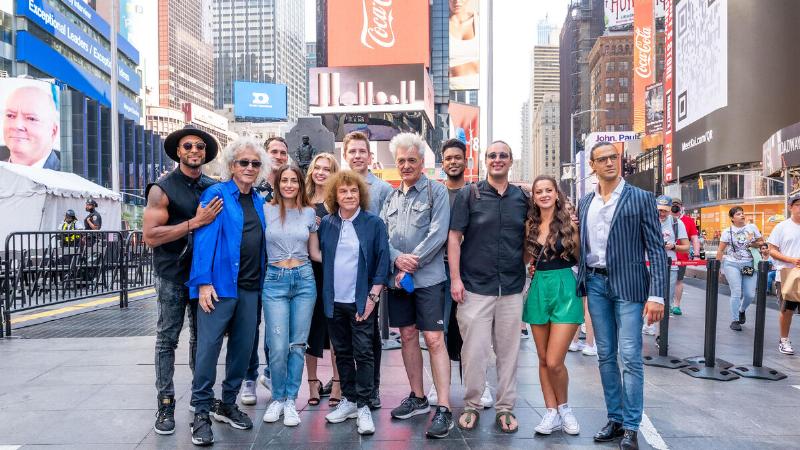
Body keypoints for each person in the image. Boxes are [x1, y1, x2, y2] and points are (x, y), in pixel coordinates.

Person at [576, 141, 667, 450]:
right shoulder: (585, 202)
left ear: (620, 160)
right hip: (596, 284)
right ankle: (615, 419)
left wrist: (658, 295)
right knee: (605, 355)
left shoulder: (641, 198)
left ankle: (631, 426)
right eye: (602, 159)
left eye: (613, 157)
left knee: (629, 356)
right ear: (593, 166)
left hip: (629, 286)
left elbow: (655, 249)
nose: (609, 163)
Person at [186, 137, 269, 446]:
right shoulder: (216, 194)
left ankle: (228, 403)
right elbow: (204, 241)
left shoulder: (259, 200)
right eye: (243, 162)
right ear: (232, 165)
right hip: (219, 287)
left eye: (255, 163)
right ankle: (201, 412)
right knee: (208, 350)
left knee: (243, 349)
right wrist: (203, 282)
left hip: (250, 289)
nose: (249, 168)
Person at [143, 125, 221, 436]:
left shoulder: (212, 186)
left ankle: (200, 398)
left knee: (202, 340)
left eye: (199, 147)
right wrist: (194, 223)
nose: (194, 151)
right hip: (172, 274)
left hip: (203, 276)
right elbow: (150, 236)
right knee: (167, 339)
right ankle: (166, 402)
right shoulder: (161, 188)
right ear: (178, 151)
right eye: (188, 146)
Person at [449, 140, 529, 434]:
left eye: (503, 156)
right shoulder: (470, 194)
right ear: (485, 161)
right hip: (474, 288)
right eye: (492, 155)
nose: (498, 160)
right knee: (474, 352)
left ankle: (505, 408)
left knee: (509, 352)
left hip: (510, 288)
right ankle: (472, 403)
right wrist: (455, 279)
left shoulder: (523, 198)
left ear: (510, 161)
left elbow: (528, 240)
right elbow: (454, 238)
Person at [381, 132, 453, 438]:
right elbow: (381, 237)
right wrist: (398, 260)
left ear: (422, 162)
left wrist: (412, 260)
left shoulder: (437, 192)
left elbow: (438, 234)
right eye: (402, 161)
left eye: (412, 160)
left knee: (434, 340)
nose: (407, 165)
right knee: (408, 336)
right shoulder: (391, 198)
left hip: (428, 279)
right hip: (399, 282)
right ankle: (418, 397)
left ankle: (445, 408)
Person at [319, 170, 390, 436]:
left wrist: (372, 298)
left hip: (362, 301)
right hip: (334, 302)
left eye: (353, 191)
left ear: (360, 194)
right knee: (343, 352)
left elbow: (382, 263)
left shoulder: (374, 223)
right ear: (335, 196)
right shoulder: (327, 223)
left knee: (364, 352)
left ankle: (364, 405)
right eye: (343, 191)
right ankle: (348, 400)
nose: (349, 195)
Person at [428, 138, 494, 409]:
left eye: (458, 157)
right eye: (448, 158)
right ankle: (438, 383)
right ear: (442, 163)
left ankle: (478, 384)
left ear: (466, 162)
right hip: (437, 270)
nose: (453, 161)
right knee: (436, 331)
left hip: (470, 271)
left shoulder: (476, 193)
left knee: (474, 330)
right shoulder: (435, 193)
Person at [261, 164, 322, 427]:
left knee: (298, 345)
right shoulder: (266, 209)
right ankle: (277, 397)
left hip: (304, 280)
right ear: (278, 184)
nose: (288, 185)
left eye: (293, 181)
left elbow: (316, 253)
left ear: (300, 184)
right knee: (277, 346)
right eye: (284, 180)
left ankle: (290, 400)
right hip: (274, 280)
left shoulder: (310, 213)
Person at [521, 175, 582, 436]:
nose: (544, 194)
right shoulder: (530, 225)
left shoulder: (570, 222)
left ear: (557, 193)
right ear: (533, 197)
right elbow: (525, 258)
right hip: (538, 287)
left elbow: (580, 255)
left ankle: (565, 409)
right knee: (543, 358)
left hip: (565, 287)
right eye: (538, 191)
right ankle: (551, 412)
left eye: (548, 190)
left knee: (555, 360)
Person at [342, 130, 393, 410]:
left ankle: (372, 387)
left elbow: (389, 232)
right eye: (353, 152)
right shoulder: (338, 185)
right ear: (345, 155)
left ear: (370, 156)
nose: (358, 156)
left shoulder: (383, 190)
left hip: (371, 274)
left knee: (369, 333)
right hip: (343, 273)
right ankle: (348, 387)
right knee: (344, 335)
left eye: (362, 151)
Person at [241, 135, 291, 404]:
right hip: (252, 269)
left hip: (279, 271)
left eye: (283, 152)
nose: (279, 156)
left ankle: (271, 373)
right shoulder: (252, 187)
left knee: (277, 326)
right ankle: (249, 378)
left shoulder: (290, 186)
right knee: (250, 327)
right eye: (274, 151)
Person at [304, 153, 342, 406]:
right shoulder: (302, 200)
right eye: (317, 168)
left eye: (326, 169)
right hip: (308, 273)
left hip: (336, 272)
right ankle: (312, 383)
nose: (320, 172)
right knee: (310, 329)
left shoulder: (338, 202)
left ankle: (338, 384)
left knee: (336, 330)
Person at [642, 196, 689, 336]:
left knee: (665, 300)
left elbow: (686, 247)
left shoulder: (676, 223)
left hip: (669, 266)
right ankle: (647, 324)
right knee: (644, 296)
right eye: (660, 210)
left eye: (665, 211)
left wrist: (673, 246)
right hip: (647, 264)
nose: (662, 214)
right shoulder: (647, 221)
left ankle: (660, 336)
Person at [715, 206, 763, 331]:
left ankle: (742, 310)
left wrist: (753, 243)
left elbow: (762, 242)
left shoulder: (751, 228)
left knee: (749, 294)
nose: (742, 215)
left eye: (742, 213)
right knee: (736, 291)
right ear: (732, 218)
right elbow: (720, 250)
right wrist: (718, 267)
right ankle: (735, 320)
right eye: (738, 214)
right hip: (732, 264)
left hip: (748, 264)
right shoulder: (727, 231)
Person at [768, 193, 800, 355]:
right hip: (787, 274)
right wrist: (791, 259)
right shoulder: (782, 227)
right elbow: (771, 249)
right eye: (798, 205)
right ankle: (784, 340)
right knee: (787, 309)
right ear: (790, 207)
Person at [2, 84, 60, 170]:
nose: (17, 125)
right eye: (10, 115)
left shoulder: (70, 179)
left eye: (31, 119)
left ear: (53, 131)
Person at [670, 197, 700, 315]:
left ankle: (676, 305)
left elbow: (694, 239)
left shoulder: (688, 221)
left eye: (677, 204)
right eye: (673, 204)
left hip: (681, 256)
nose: (675, 206)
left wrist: (696, 255)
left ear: (681, 206)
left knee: (678, 280)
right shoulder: (662, 219)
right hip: (665, 256)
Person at [449, 0, 480, 90]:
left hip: (477, 87)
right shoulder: (439, 26)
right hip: (451, 88)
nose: (457, 1)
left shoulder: (481, 21)